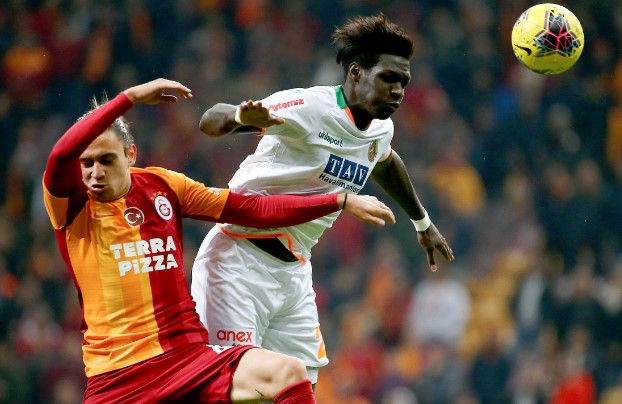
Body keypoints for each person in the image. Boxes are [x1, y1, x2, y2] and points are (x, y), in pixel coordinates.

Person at [42, 78, 397, 403]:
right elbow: (59, 157)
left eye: (106, 160)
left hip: (188, 361)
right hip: (117, 379)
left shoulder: (164, 186)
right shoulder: (72, 209)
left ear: (130, 155)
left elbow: (252, 209)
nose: (95, 173)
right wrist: (129, 97)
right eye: (86, 164)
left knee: (289, 373)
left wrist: (337, 200)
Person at [191, 13, 455, 386]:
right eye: (388, 78)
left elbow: (384, 160)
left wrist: (422, 223)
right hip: (238, 260)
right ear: (356, 73)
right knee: (234, 386)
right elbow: (209, 121)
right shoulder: (309, 108)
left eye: (403, 82)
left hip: (294, 272)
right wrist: (237, 116)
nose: (398, 90)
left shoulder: (381, 128)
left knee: (300, 388)